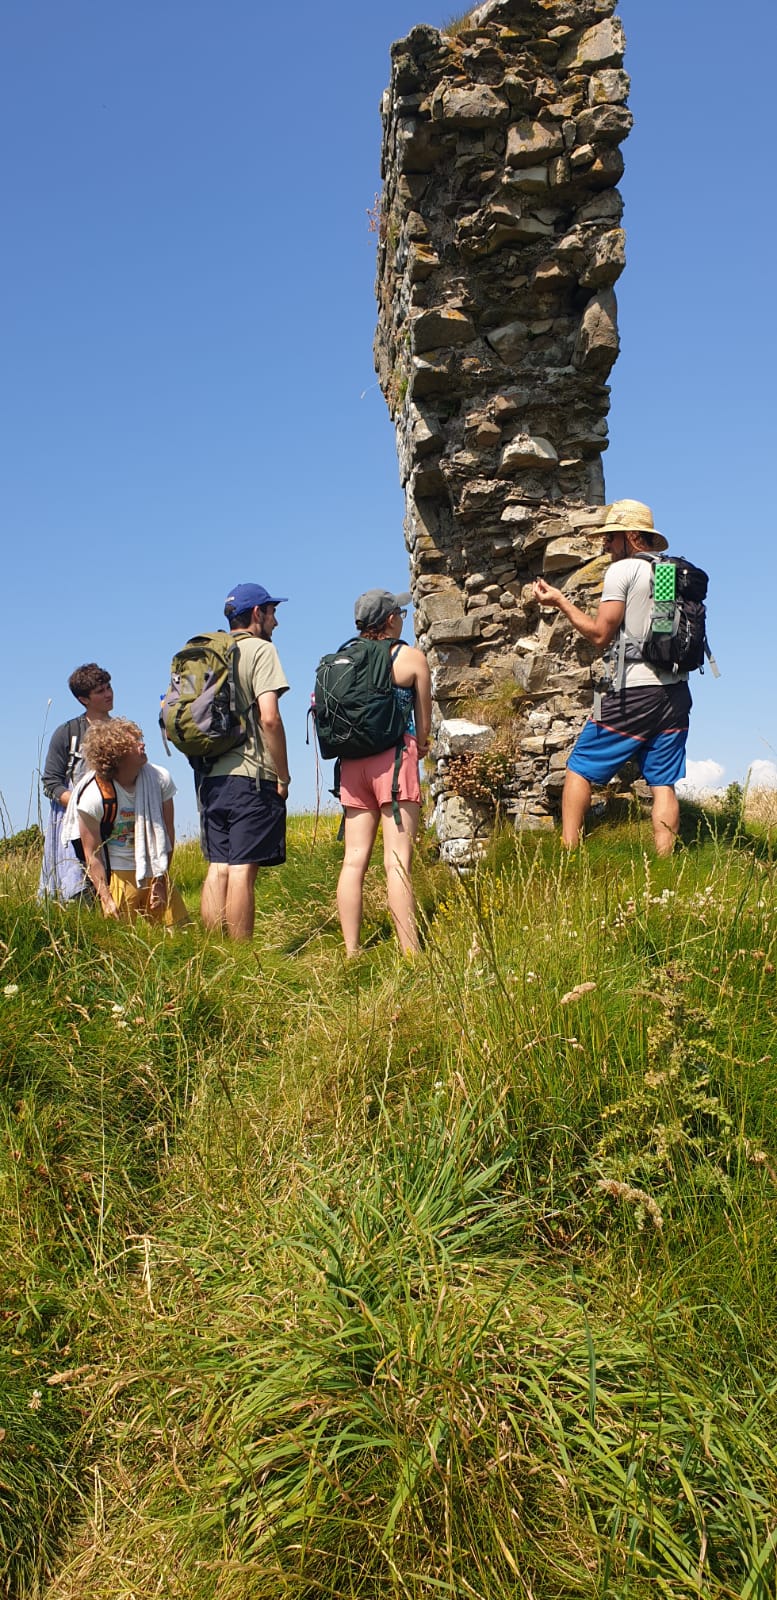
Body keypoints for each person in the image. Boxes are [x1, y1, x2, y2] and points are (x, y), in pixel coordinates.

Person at [533, 499, 691, 855]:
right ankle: (664, 862)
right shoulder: (666, 573)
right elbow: (661, 634)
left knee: (579, 766)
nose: (605, 545)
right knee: (663, 783)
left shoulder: (623, 571)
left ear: (632, 537)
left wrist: (560, 602)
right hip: (675, 694)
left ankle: (569, 852)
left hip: (634, 692)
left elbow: (601, 634)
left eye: (611, 537)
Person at [336, 589, 432, 956]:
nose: (402, 619)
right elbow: (423, 723)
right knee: (397, 861)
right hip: (393, 763)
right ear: (390, 619)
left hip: (350, 767)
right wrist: (421, 744)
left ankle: (351, 951)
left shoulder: (341, 661)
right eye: (401, 614)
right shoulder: (410, 658)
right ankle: (410, 953)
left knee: (354, 859)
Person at [198, 583, 291, 941]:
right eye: (272, 613)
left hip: (210, 778)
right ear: (257, 614)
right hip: (251, 775)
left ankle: (211, 953)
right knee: (242, 869)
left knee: (217, 867)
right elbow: (270, 718)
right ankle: (239, 957)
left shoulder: (210, 653)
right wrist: (282, 774)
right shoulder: (260, 651)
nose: (276, 622)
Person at [67, 718, 189, 925]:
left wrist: (161, 879)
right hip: (119, 874)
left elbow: (167, 832)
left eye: (139, 739)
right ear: (116, 756)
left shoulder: (160, 779)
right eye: (134, 743)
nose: (142, 744)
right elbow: (92, 854)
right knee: (123, 941)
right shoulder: (93, 797)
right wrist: (106, 899)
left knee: (180, 932)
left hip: (155, 868)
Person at [38, 663, 114, 902]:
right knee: (81, 887)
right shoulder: (68, 733)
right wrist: (82, 804)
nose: (109, 694)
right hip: (75, 822)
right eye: (100, 691)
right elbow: (50, 781)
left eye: (109, 687)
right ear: (83, 699)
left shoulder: (121, 730)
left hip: (118, 816)